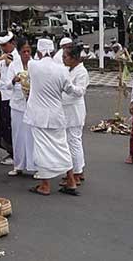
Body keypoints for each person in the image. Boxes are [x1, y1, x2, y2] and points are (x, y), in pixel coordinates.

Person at [24, 38, 78, 196]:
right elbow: (69, 90)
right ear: (54, 51)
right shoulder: (62, 70)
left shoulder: (33, 66)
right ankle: (71, 180)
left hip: (38, 115)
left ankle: (45, 185)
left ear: (39, 52)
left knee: (42, 149)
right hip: (56, 115)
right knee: (62, 147)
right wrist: (79, 90)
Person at [0, 38, 36, 176]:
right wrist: (14, 80)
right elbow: (6, 85)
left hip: (31, 104)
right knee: (18, 134)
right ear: (19, 52)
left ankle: (33, 166)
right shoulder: (13, 65)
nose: (26, 54)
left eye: (28, 51)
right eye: (23, 52)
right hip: (17, 103)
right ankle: (18, 165)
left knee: (31, 135)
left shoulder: (35, 64)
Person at [61, 45, 89, 184]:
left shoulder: (81, 72)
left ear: (74, 58)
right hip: (66, 110)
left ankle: (76, 173)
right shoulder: (68, 70)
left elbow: (80, 91)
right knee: (69, 142)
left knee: (74, 142)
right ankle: (75, 170)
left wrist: (67, 86)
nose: (62, 59)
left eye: (65, 57)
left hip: (74, 111)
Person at [0, 31, 17, 165]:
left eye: (5, 45)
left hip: (12, 96)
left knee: (10, 125)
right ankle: (9, 151)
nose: (3, 48)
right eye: (1, 45)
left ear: (12, 43)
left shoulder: (17, 58)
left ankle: (14, 153)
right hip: (2, 94)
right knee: (3, 126)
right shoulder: (3, 58)